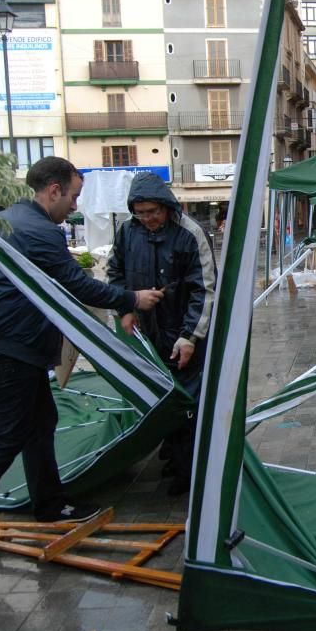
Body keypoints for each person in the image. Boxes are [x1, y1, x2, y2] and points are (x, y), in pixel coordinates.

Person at [0, 157, 165, 573]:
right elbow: (77, 284)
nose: (76, 206)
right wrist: (133, 299)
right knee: (4, 439)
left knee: (41, 421)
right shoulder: (39, 231)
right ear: (54, 190)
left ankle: (48, 503)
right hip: (7, 348)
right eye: (75, 196)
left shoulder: (9, 219)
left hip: (4, 342)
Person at [108, 172, 217, 497]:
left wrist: (190, 336)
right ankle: (172, 458)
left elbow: (205, 288)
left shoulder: (190, 233)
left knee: (186, 404)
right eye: (141, 213)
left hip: (184, 336)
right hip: (148, 335)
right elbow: (115, 272)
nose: (148, 219)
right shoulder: (127, 231)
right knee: (160, 399)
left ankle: (189, 472)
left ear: (167, 207)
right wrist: (125, 308)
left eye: (153, 212)